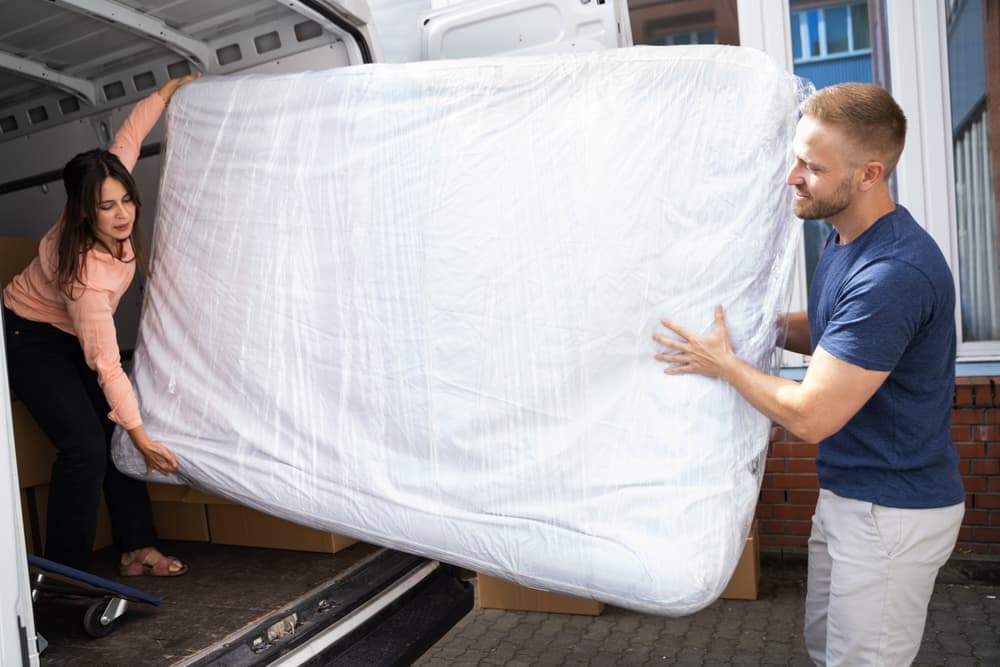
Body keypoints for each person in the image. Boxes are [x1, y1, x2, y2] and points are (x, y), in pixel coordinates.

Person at [652, 82, 965, 666]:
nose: (793, 176)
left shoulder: (892, 273)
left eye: (812, 167)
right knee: (827, 653)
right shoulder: (847, 239)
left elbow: (813, 414)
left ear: (869, 174)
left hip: (888, 514)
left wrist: (724, 363)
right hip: (853, 496)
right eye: (796, 157)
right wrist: (761, 328)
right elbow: (838, 336)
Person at [3, 72, 201, 576]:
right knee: (87, 447)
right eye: (106, 207)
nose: (121, 214)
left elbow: (126, 142)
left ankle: (138, 546)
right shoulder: (85, 277)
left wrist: (164, 93)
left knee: (114, 435)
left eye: (126, 200)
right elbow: (106, 364)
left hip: (71, 336)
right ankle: (63, 576)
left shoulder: (108, 190)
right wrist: (140, 435)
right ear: (84, 211)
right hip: (29, 337)